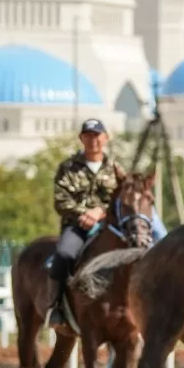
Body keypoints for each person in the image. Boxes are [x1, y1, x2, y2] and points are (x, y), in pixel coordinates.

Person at [48, 118, 123, 329]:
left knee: (136, 254)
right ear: (81, 138)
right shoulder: (68, 167)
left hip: (109, 227)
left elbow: (122, 201)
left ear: (106, 138)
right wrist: (85, 214)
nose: (93, 140)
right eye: (88, 135)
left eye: (97, 135)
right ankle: (56, 306)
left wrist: (101, 212)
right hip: (77, 226)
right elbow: (60, 199)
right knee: (64, 255)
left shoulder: (116, 169)